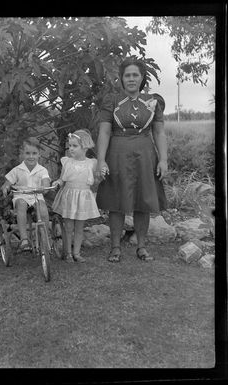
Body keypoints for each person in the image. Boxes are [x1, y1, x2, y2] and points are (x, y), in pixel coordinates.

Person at [95, 57, 168, 263]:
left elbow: (160, 132)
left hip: (145, 155)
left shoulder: (153, 102)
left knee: (142, 200)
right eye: (127, 75)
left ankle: (141, 246)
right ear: (121, 78)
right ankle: (115, 247)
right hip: (117, 153)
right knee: (116, 201)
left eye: (135, 75)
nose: (131, 79)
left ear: (142, 77)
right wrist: (101, 160)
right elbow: (104, 132)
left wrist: (163, 160)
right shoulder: (113, 101)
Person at [52, 129, 100, 263]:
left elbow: (96, 179)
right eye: (70, 145)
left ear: (84, 147)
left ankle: (77, 253)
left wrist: (100, 176)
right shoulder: (67, 161)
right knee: (68, 227)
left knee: (79, 227)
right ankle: (67, 253)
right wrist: (58, 182)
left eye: (75, 146)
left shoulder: (91, 163)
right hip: (69, 197)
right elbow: (62, 179)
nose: (71, 149)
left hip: (83, 197)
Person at [1, 137, 51, 251]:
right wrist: (6, 187)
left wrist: (45, 187)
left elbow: (46, 182)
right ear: (22, 154)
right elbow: (8, 182)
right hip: (21, 195)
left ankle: (45, 236)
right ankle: (24, 239)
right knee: (21, 205)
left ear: (39, 155)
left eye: (34, 153)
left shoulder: (42, 170)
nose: (31, 156)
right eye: (27, 153)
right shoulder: (17, 170)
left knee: (43, 209)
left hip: (36, 195)